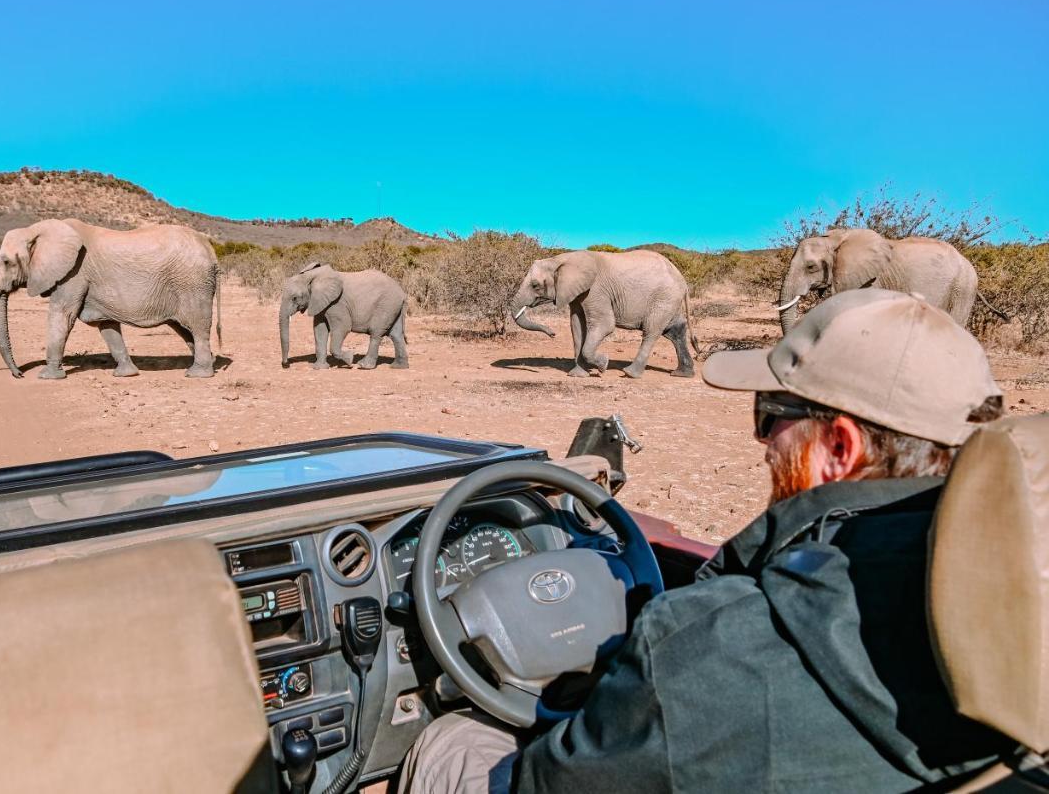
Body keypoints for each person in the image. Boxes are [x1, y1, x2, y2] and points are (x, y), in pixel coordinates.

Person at [398, 288, 1010, 794]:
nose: (763, 443)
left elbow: (552, 781)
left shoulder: (716, 646)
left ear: (839, 449)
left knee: (455, 740)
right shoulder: (1014, 599)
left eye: (769, 416)